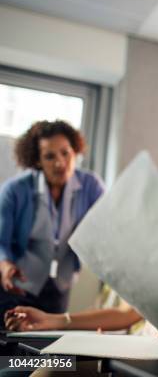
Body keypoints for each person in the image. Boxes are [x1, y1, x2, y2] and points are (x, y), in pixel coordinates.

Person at [4, 172, 158, 333]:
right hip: (138, 354)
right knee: (39, 368)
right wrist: (52, 320)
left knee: (48, 372)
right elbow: (128, 314)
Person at [0, 120, 104, 328]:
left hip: (59, 286)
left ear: (75, 152)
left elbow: (107, 225)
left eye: (65, 153)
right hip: (17, 284)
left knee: (49, 354)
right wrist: (4, 266)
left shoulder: (90, 186)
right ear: (37, 160)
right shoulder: (15, 190)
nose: (60, 162)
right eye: (49, 156)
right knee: (9, 354)